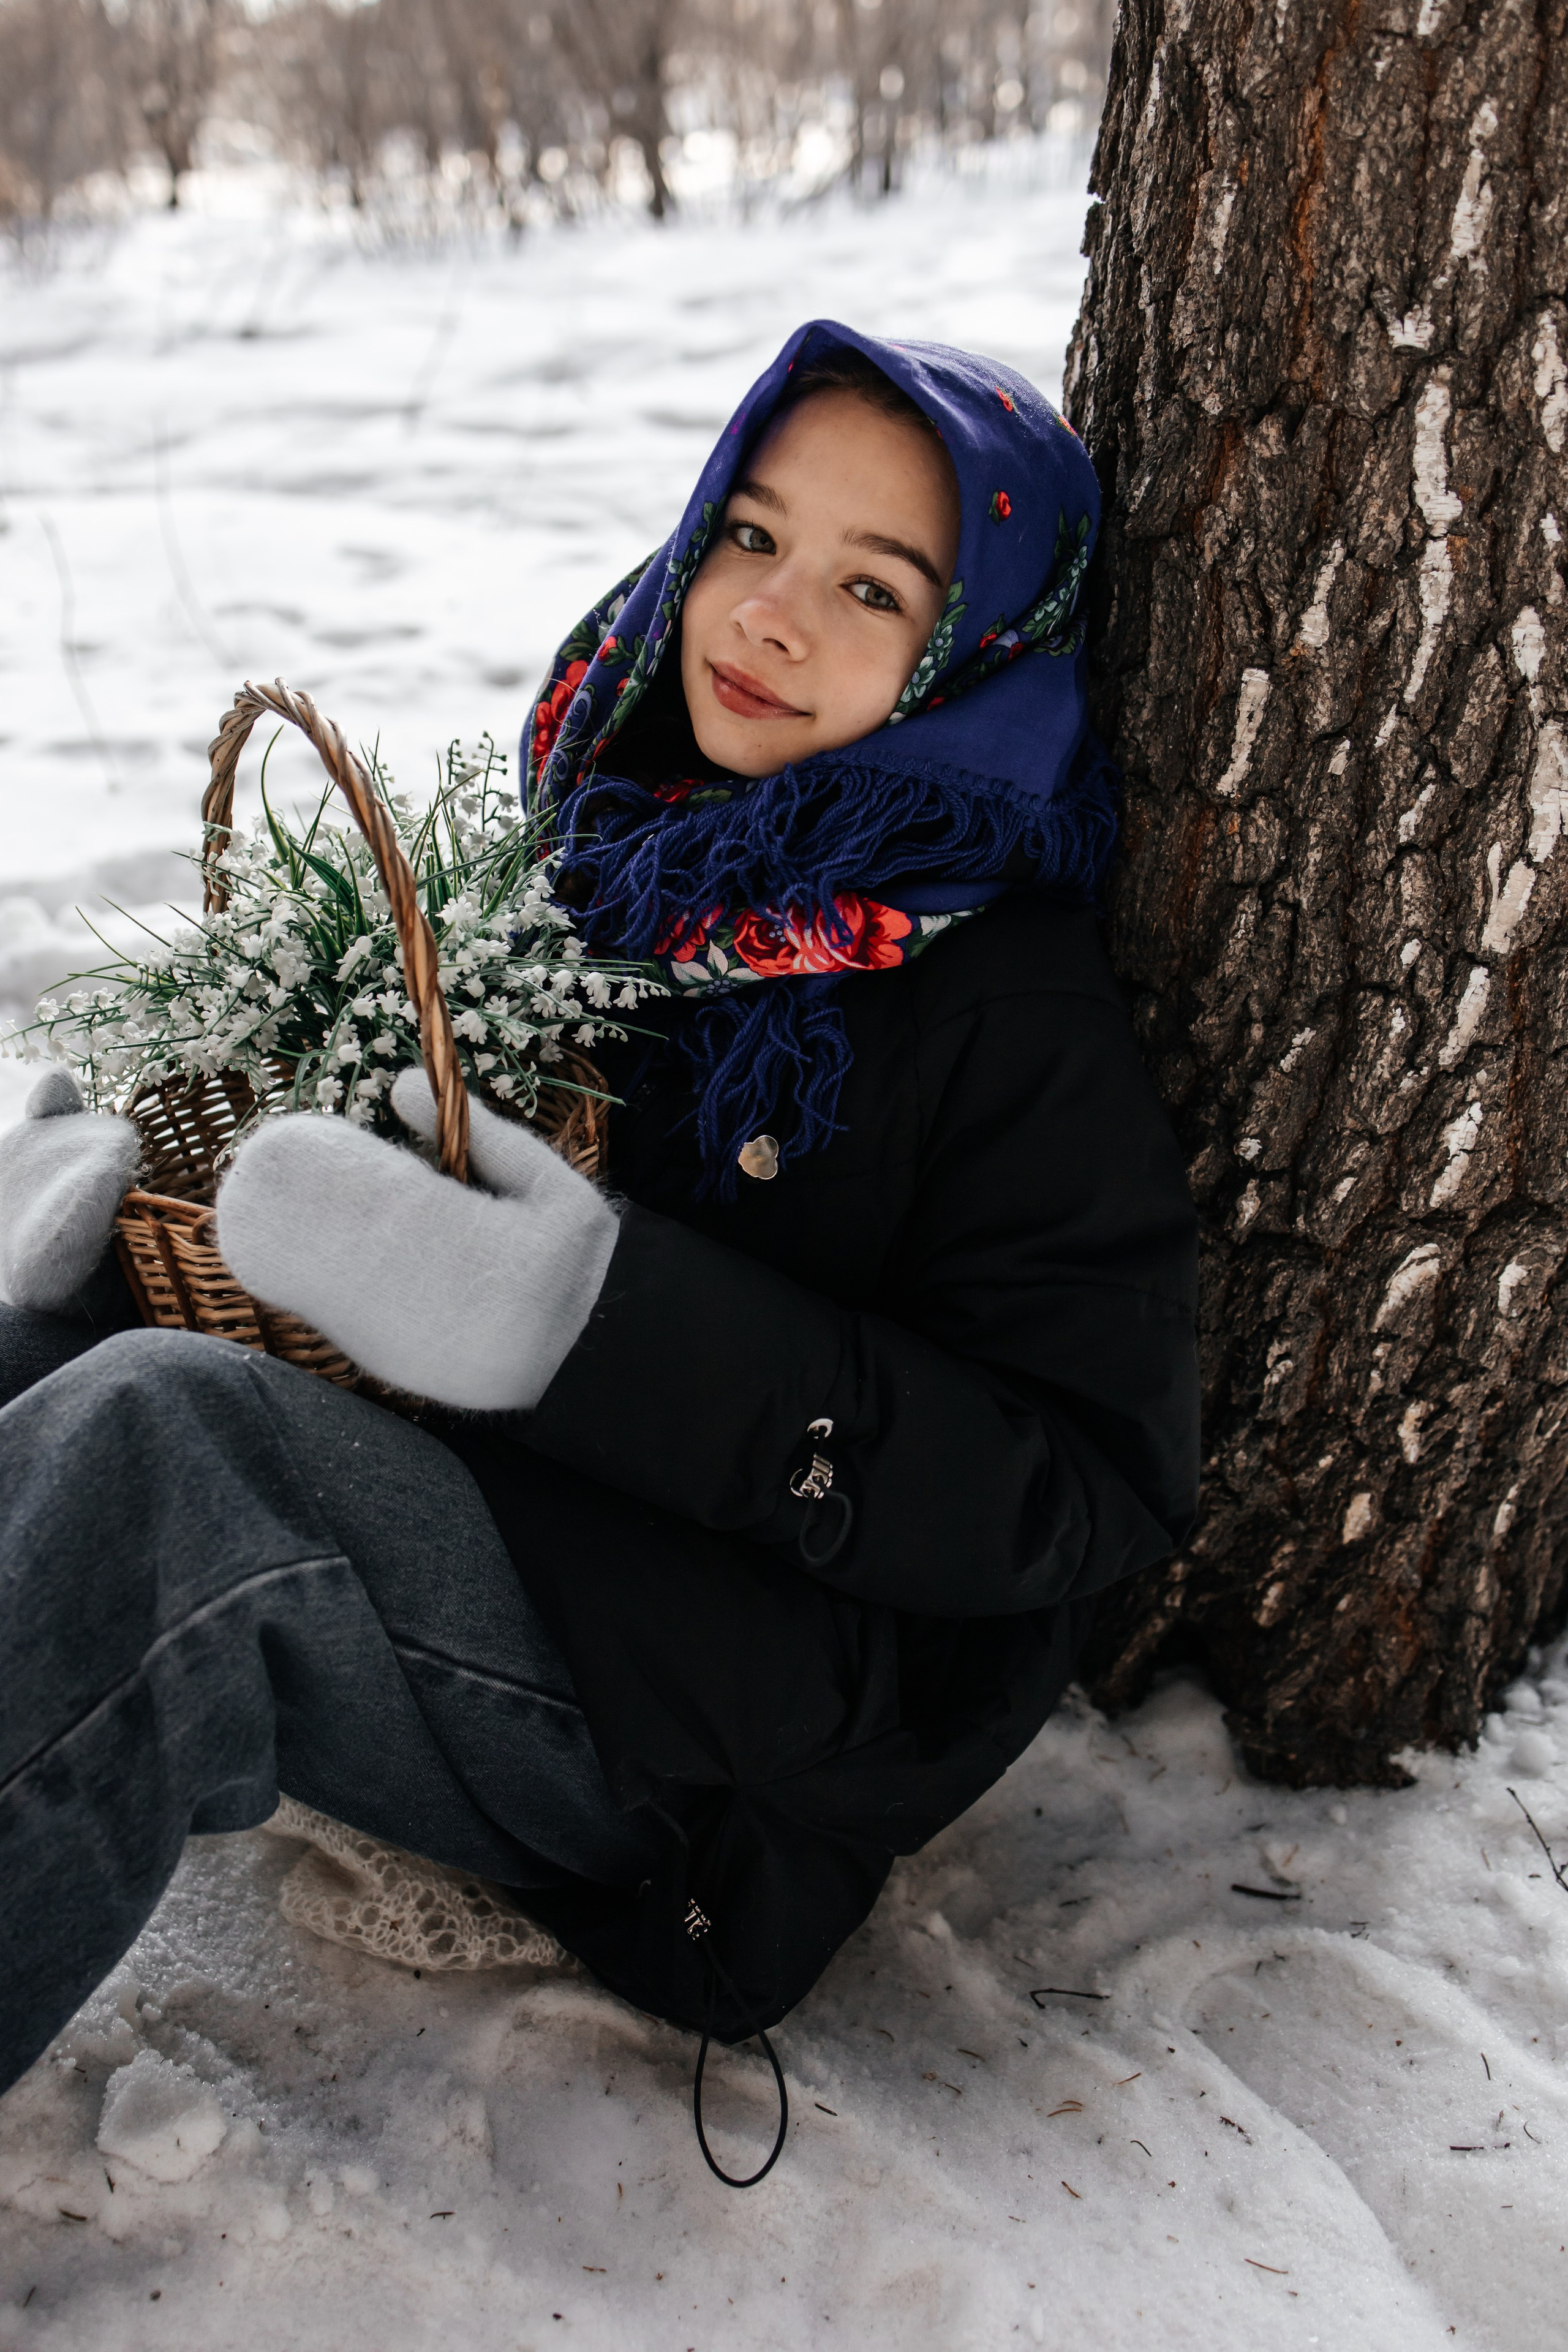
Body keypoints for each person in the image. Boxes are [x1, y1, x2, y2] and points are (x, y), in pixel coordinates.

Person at [0, 323, 1197, 2154]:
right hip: (503, 1509)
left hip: (704, 1729)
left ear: (975, 661)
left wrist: (590, 1317)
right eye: (753, 535)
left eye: (871, 587)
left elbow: (1085, 1489)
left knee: (166, 1460)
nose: (774, 614)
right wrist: (155, 1210)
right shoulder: (621, 839)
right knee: (47, 1354)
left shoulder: (999, 1001)